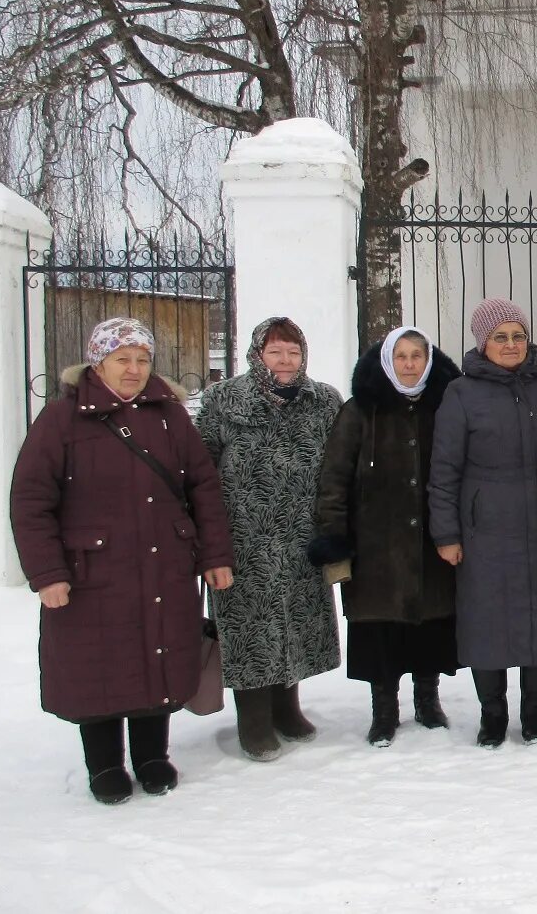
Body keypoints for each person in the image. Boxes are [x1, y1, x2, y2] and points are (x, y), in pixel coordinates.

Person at [10, 318, 235, 804]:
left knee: (158, 652)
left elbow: (203, 487)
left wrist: (215, 554)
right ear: (98, 361)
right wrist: (47, 573)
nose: (133, 369)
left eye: (142, 359)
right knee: (100, 663)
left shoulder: (170, 415)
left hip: (164, 563)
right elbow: (30, 500)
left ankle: (153, 756)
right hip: (91, 572)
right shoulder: (62, 419)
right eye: (122, 359)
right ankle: (105, 765)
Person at [429, 299, 537, 748]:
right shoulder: (461, 392)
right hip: (485, 530)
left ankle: (535, 711)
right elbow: (444, 470)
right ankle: (492, 713)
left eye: (518, 335)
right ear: (482, 342)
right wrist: (447, 533)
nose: (511, 344)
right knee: (487, 620)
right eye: (500, 337)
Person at [196, 317, 344, 761]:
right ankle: (254, 721)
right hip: (244, 540)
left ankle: (287, 707)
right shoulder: (225, 400)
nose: (285, 361)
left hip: (302, 536)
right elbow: (201, 470)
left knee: (295, 623)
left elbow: (338, 463)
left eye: (293, 352)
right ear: (258, 354)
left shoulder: (324, 401)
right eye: (276, 352)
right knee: (251, 630)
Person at [310, 327, 462, 747]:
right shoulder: (360, 411)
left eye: (417, 355)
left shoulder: (444, 406)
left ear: (429, 360)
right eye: (401, 356)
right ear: (387, 361)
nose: (410, 364)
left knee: (430, 623)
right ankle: (384, 710)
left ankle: (428, 700)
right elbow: (334, 479)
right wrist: (335, 537)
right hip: (376, 545)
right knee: (380, 629)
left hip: (433, 539)